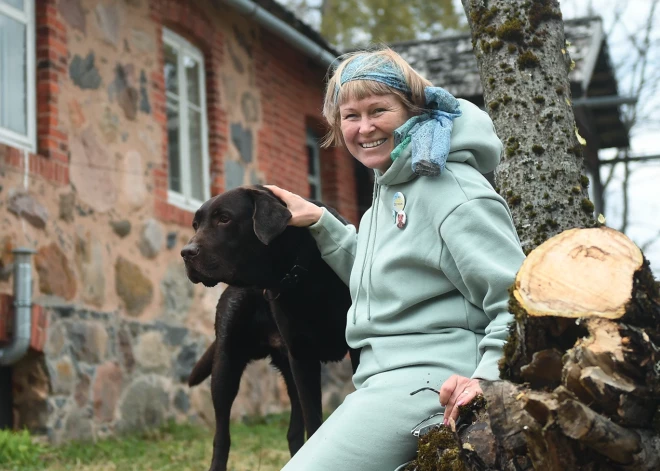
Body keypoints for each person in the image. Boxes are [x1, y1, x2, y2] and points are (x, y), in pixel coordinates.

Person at [266, 47, 525, 471]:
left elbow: (516, 299)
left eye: (378, 110)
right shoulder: (390, 190)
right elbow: (382, 282)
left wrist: (487, 378)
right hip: (384, 382)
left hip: (430, 383)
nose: (364, 127)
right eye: (350, 116)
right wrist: (320, 222)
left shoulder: (452, 191)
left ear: (412, 112)